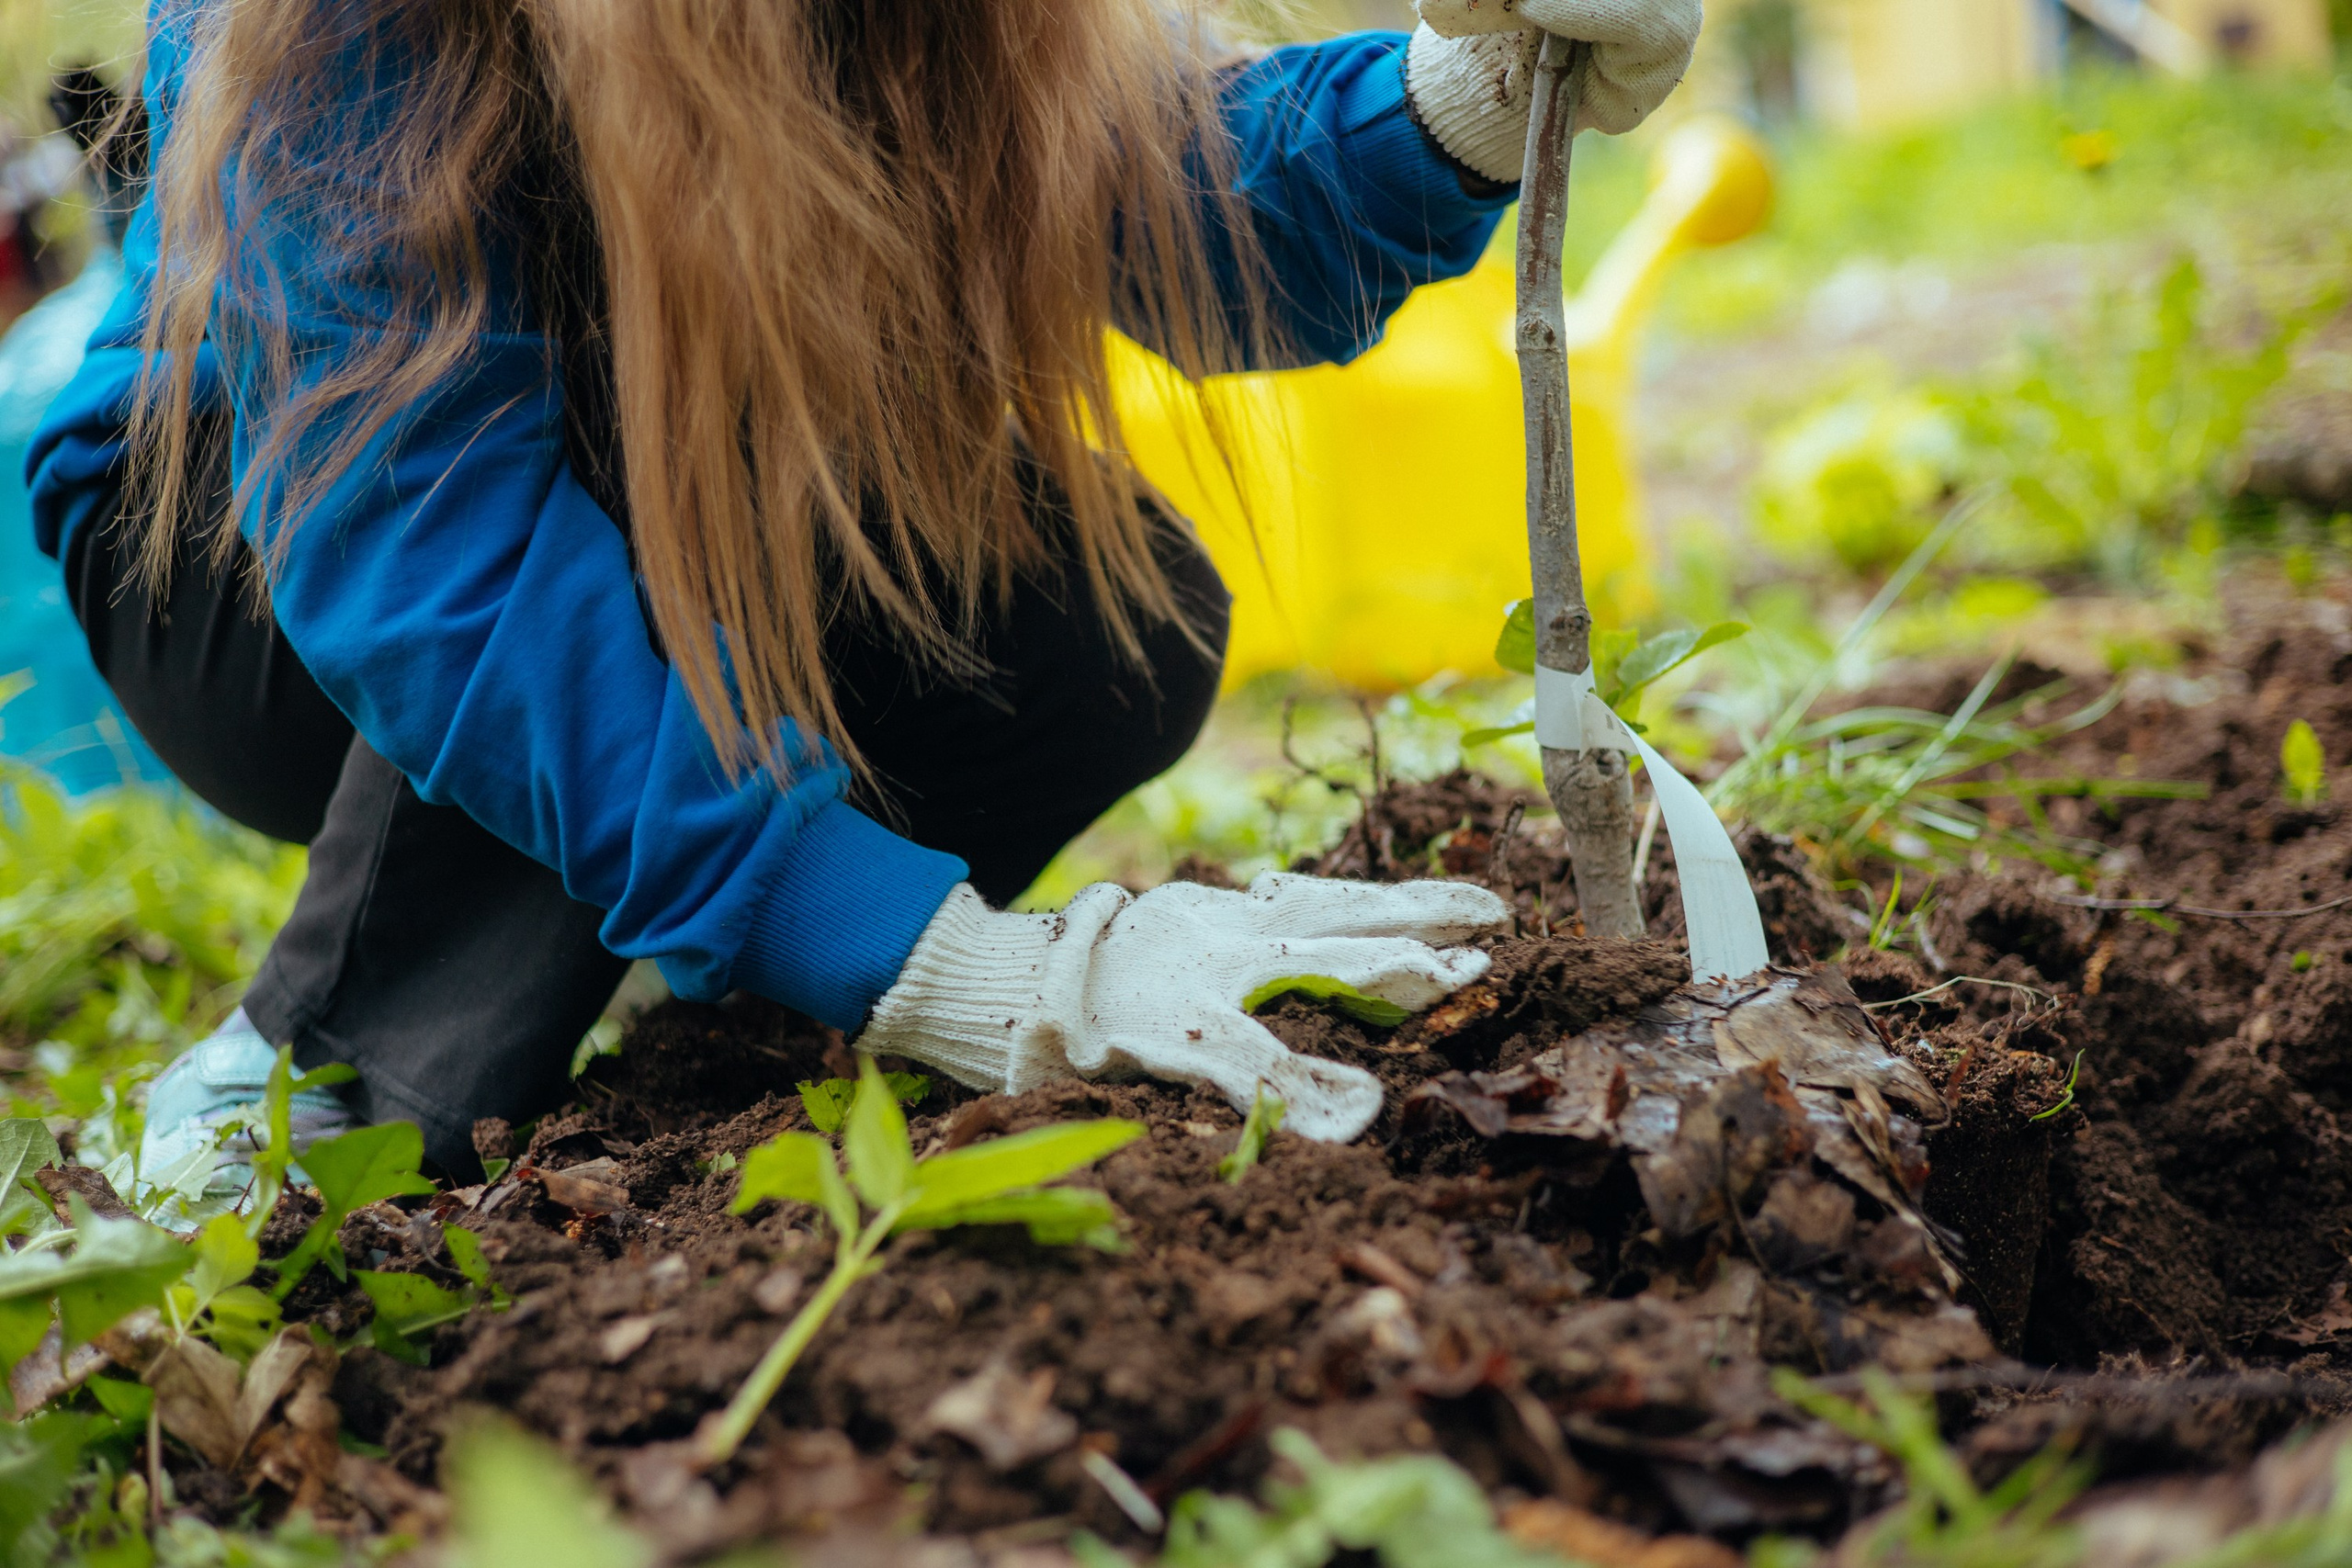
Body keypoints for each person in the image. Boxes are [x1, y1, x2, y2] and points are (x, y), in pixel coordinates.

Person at [28, 0, 1701, 1185]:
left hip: (664, 491)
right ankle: (312, 1076)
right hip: (248, 566)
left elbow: (1158, 191)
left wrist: (1454, 99)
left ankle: (724, 1006)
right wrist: (942, 963)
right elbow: (417, 520)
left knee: (1103, 626)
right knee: (664, 395)